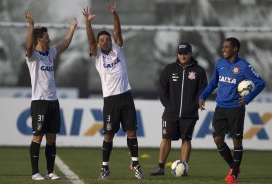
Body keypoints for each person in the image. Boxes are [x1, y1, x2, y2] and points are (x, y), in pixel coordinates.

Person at [82, 2, 143, 180]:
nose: (105, 42)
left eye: (107, 40)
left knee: (131, 132)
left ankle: (135, 163)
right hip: (110, 101)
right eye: (102, 40)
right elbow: (91, 42)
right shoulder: (98, 56)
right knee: (109, 134)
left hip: (126, 96)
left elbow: (117, 34)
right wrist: (88, 23)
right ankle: (105, 167)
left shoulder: (117, 50)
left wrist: (115, 15)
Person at [198, 37, 265, 183]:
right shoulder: (220, 63)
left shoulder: (244, 66)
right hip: (220, 107)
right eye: (223, 47)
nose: (223, 49)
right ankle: (234, 167)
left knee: (237, 142)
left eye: (226, 47)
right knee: (218, 140)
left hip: (236, 109)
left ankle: (233, 174)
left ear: (235, 49)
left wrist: (247, 98)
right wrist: (203, 95)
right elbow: (213, 82)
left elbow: (260, 83)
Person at [25, 11, 77, 180]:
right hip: (40, 102)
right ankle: (34, 173)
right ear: (40, 39)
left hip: (53, 101)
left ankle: (50, 172)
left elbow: (65, 44)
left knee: (52, 138)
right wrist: (31, 27)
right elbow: (28, 47)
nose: (49, 39)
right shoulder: (33, 57)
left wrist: (72, 28)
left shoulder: (50, 54)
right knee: (38, 136)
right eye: (46, 36)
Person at [150, 43, 208, 176]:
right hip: (170, 113)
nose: (183, 56)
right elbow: (162, 89)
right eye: (181, 53)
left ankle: (184, 167)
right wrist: (168, 105)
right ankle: (160, 167)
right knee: (166, 138)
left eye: (186, 53)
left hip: (190, 113)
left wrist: (196, 104)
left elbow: (203, 90)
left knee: (186, 140)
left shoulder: (199, 71)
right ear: (177, 54)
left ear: (190, 54)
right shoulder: (169, 69)